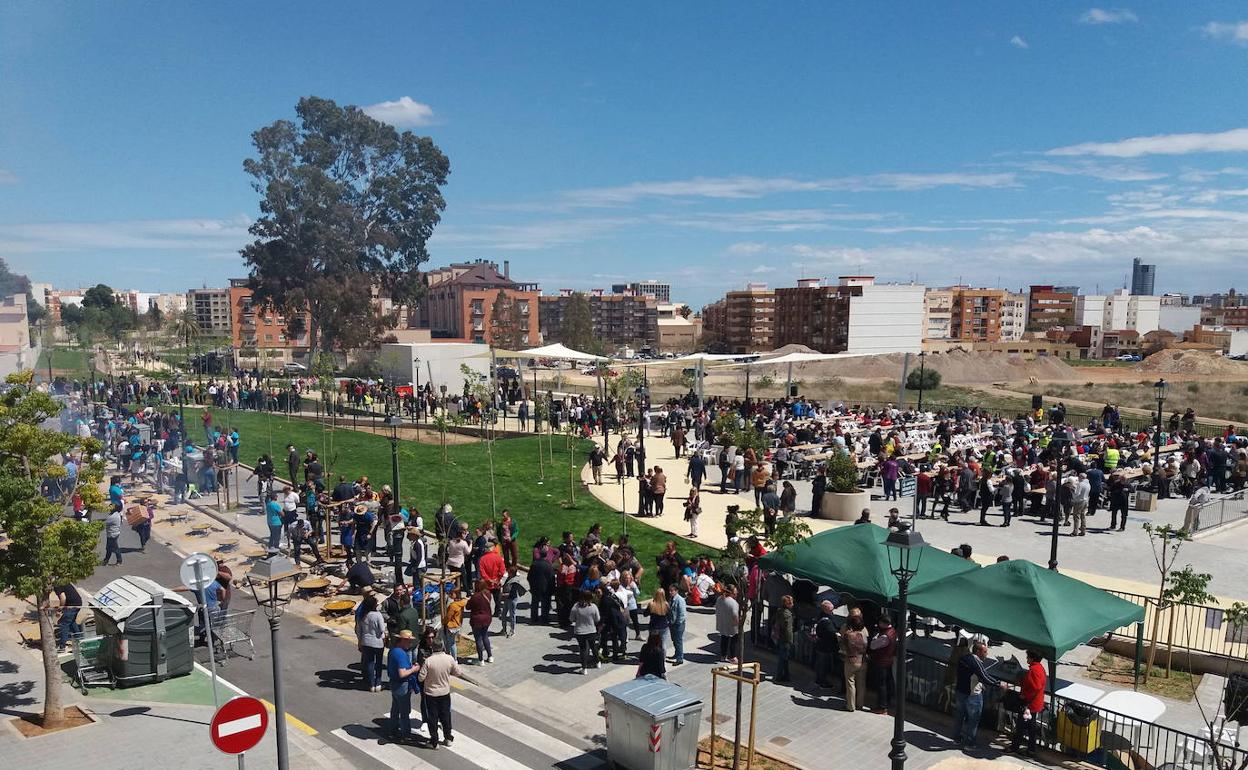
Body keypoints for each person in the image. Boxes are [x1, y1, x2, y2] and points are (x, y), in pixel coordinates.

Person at [952, 641, 1008, 748]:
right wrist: (999, 684)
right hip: (972, 695)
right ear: (978, 651)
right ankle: (970, 743)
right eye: (985, 651)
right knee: (973, 720)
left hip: (960, 692)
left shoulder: (964, 658)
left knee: (959, 717)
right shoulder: (975, 662)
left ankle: (956, 738)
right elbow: (984, 676)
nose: (987, 654)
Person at [418, 638, 462, 749]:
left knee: (432, 718)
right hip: (444, 693)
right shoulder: (449, 659)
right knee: (445, 716)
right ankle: (448, 738)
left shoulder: (428, 661)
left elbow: (420, 677)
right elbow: (458, 672)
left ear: (432, 647)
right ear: (442, 646)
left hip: (431, 694)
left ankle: (434, 741)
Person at [1009, 650, 1047, 756]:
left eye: (1028, 657)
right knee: (1031, 728)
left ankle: (1015, 747)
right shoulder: (1039, 668)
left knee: (1021, 726)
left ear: (1032, 658)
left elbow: (1035, 687)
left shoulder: (1034, 670)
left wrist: (1024, 696)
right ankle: (1031, 749)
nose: (1026, 659)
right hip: (1035, 703)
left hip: (1030, 704)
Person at [387, 630, 421, 742]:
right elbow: (402, 673)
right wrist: (414, 669)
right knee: (405, 711)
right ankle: (406, 734)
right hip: (402, 686)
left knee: (395, 709)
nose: (410, 644)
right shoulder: (401, 654)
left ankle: (392, 731)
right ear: (403, 640)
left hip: (394, 684)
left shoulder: (393, 651)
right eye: (409, 641)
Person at [839, 607, 869, 712]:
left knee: (850, 683)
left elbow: (842, 645)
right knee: (861, 683)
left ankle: (851, 706)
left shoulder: (846, 631)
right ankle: (860, 704)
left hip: (851, 660)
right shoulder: (864, 630)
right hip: (863, 660)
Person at [868, 614, 897, 714]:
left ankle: (882, 706)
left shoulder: (884, 636)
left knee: (882, 685)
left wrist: (876, 635)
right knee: (888, 682)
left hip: (881, 662)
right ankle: (887, 702)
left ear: (883, 623)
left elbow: (873, 645)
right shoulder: (892, 631)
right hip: (888, 661)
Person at [356, 595, 386, 692]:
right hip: (378, 642)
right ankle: (378, 682)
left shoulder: (362, 616)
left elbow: (358, 630)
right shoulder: (377, 615)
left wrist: (360, 641)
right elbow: (382, 629)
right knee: (378, 663)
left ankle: (371, 684)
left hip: (366, 642)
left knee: (369, 663)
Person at [570, 590, 601, 674]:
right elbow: (597, 619)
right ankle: (597, 662)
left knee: (583, 649)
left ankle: (584, 668)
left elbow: (571, 619)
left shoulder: (576, 607)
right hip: (591, 630)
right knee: (593, 646)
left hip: (580, 631)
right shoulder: (593, 606)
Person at [813, 600, 840, 689]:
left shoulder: (821, 616)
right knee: (824, 666)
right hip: (825, 646)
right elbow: (832, 632)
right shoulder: (826, 621)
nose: (832, 612)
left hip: (821, 645)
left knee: (820, 664)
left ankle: (819, 680)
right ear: (826, 610)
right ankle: (822, 682)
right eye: (831, 610)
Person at [466, 580, 494, 665]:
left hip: (477, 620)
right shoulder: (488, 594)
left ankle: (481, 659)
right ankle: (490, 656)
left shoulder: (475, 596)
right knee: (485, 636)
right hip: (487, 618)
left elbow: (468, 607)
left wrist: (468, 600)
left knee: (478, 639)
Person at [527, 544, 555, 624]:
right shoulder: (549, 566)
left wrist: (531, 585)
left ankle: (534, 618)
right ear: (546, 555)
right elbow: (552, 578)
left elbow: (529, 577)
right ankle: (544, 618)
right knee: (545, 604)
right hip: (546, 588)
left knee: (535, 603)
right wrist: (552, 588)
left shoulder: (534, 564)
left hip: (535, 587)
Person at [54, 583, 84, 651]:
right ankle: (80, 640)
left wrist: (59, 610)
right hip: (78, 602)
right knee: (72, 622)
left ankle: (62, 646)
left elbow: (63, 598)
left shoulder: (57, 585)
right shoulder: (63, 581)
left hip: (72, 605)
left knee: (63, 623)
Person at [715, 584, 740, 662]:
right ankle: (732, 656)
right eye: (735, 592)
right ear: (732, 593)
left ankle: (723, 655)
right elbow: (735, 615)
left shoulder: (719, 599)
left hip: (722, 622)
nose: (737, 593)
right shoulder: (733, 603)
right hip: (731, 624)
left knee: (724, 638)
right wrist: (738, 623)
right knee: (733, 640)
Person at [773, 594, 794, 683]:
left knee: (784, 658)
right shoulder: (787, 615)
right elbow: (788, 630)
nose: (793, 604)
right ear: (787, 604)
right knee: (783, 658)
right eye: (791, 602)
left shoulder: (780, 611)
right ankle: (779, 676)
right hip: (785, 639)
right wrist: (790, 641)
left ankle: (786, 675)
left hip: (780, 637)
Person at [500, 565, 526, 638]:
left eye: (508, 572)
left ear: (512, 573)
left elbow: (512, 593)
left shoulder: (514, 581)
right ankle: (504, 629)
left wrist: (503, 595)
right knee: (503, 614)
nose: (507, 573)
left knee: (512, 615)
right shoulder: (509, 578)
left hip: (512, 600)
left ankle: (512, 630)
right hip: (506, 599)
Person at [667, 583, 688, 666]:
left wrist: (677, 623)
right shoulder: (671, 599)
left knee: (678, 641)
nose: (670, 592)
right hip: (672, 623)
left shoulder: (680, 600)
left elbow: (682, 614)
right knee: (674, 640)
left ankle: (680, 658)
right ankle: (676, 653)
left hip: (678, 624)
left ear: (676, 591)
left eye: (672, 591)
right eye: (669, 591)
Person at [647, 589, 670, 656]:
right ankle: (663, 659)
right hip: (664, 626)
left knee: (653, 643)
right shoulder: (666, 605)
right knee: (663, 644)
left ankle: (653, 657)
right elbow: (670, 615)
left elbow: (645, 614)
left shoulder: (651, 604)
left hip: (654, 626)